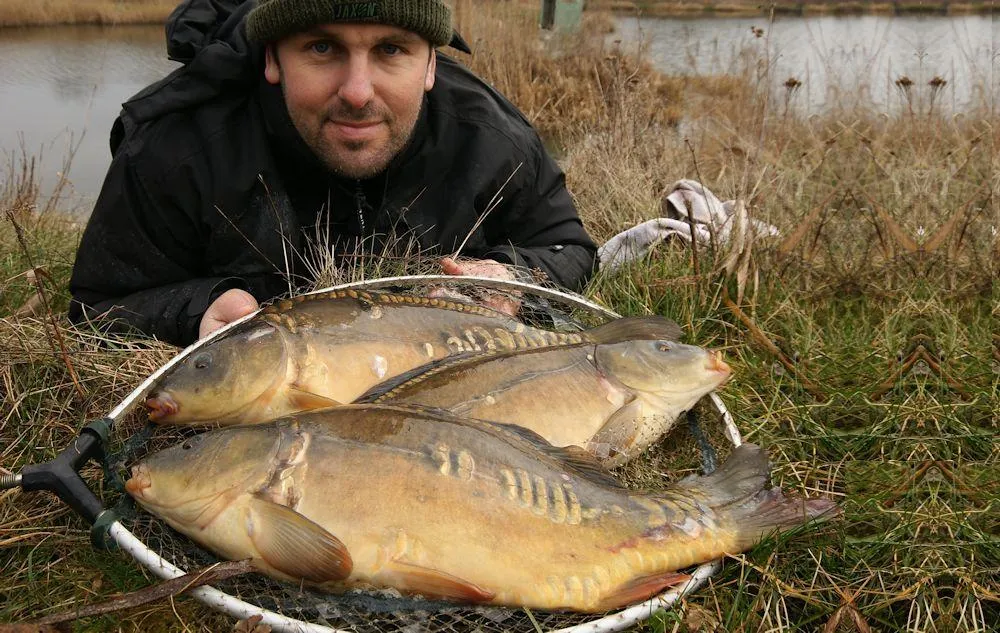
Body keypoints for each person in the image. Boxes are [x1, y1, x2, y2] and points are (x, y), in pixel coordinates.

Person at [68, 0, 597, 347]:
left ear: (431, 64)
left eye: (391, 50)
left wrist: (515, 279)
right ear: (272, 57)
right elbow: (97, 306)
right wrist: (196, 312)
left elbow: (566, 246)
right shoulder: (175, 149)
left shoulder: (493, 139)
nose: (358, 92)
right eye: (323, 48)